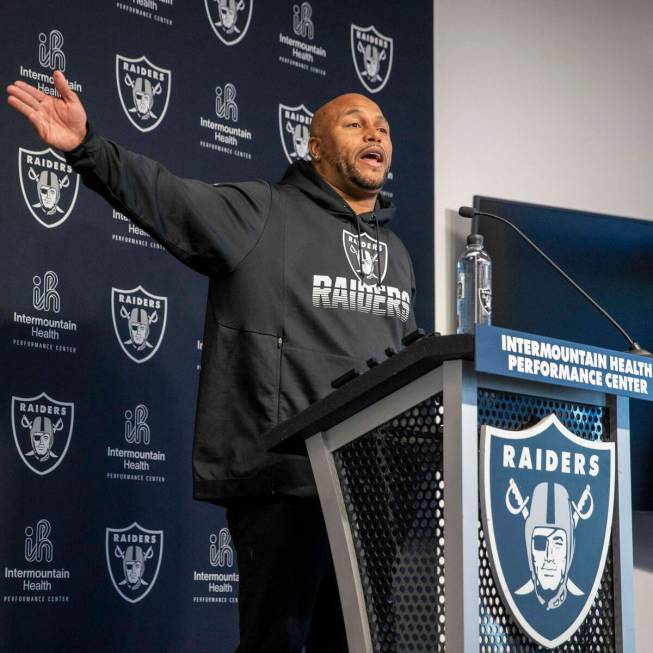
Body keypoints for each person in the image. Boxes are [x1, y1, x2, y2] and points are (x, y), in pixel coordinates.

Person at [7, 71, 417, 653]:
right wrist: (88, 149)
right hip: (286, 484)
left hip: (368, 493)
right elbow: (168, 196)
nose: (373, 133)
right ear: (316, 146)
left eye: (381, 126)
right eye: (353, 124)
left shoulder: (396, 253)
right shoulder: (264, 212)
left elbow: (405, 358)